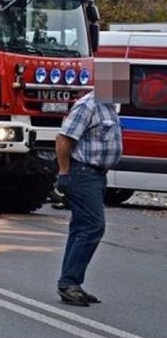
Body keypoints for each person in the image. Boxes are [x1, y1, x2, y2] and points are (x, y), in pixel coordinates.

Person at [54, 62, 127, 306]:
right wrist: (64, 173)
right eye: (118, 81)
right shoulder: (88, 105)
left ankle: (70, 282)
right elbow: (63, 139)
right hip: (82, 172)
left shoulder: (110, 107)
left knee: (81, 228)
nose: (122, 86)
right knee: (94, 226)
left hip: (96, 174)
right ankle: (69, 283)